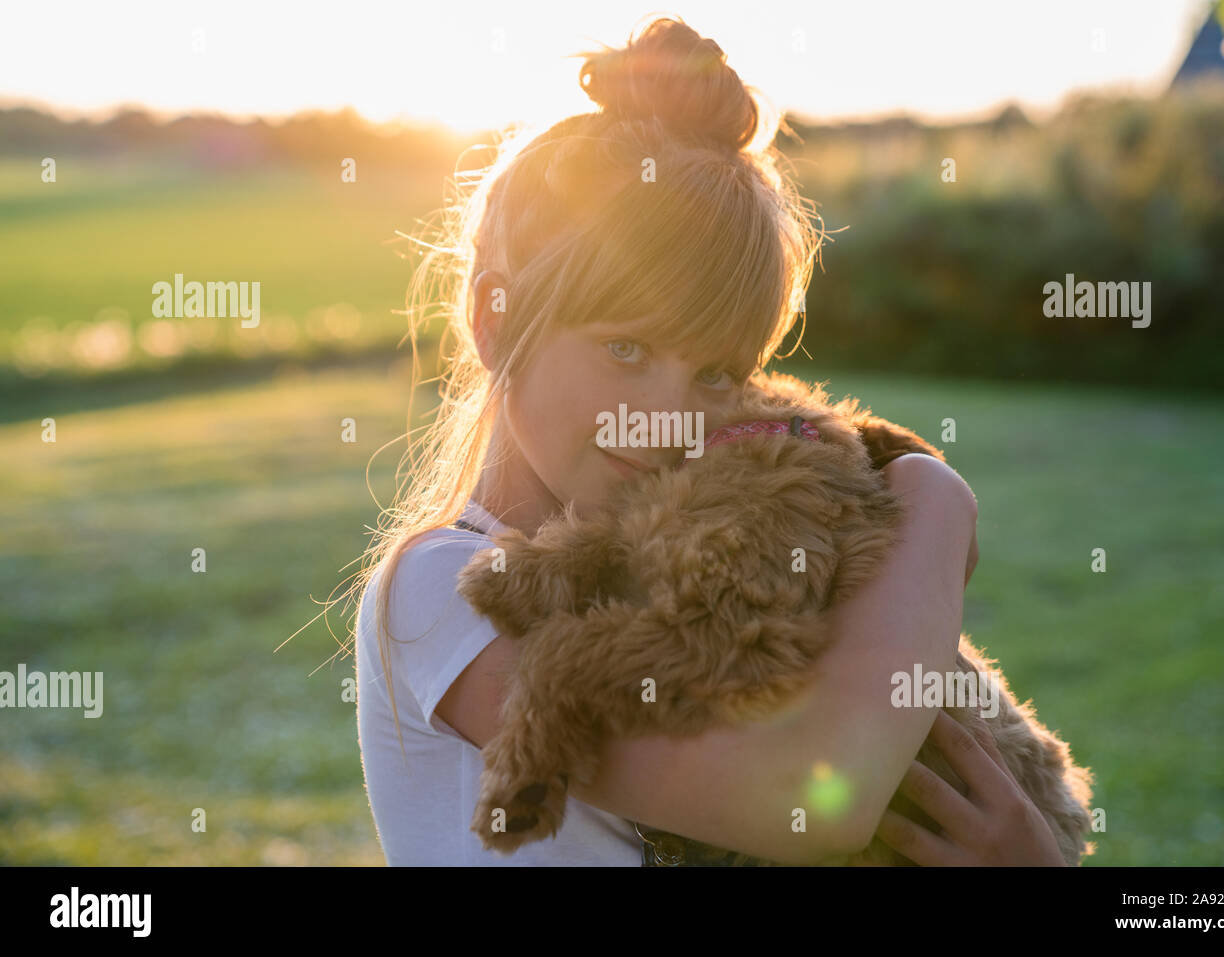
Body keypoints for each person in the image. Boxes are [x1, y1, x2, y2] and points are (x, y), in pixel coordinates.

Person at [352, 14, 1064, 866]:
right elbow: (813, 799)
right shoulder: (444, 593)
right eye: (626, 349)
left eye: (718, 373)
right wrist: (937, 504)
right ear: (492, 318)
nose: (671, 417)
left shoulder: (686, 568)